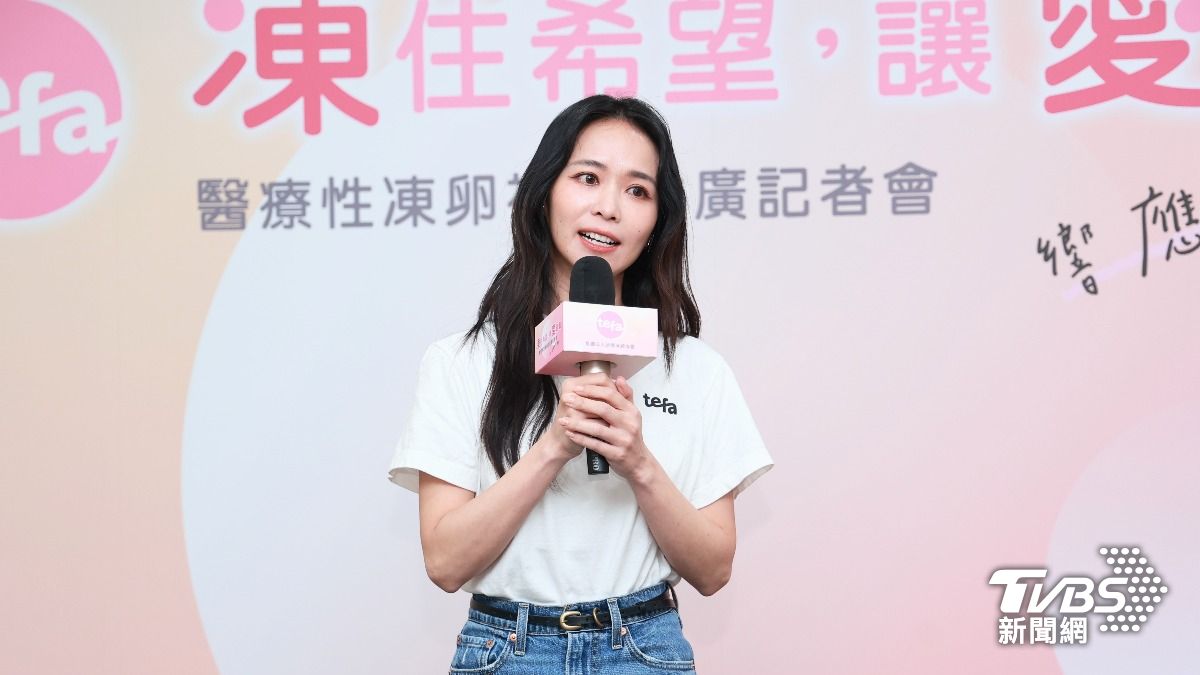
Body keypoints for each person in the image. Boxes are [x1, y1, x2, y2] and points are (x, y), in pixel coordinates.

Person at [388, 94, 773, 674]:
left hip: (643, 649)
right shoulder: (461, 361)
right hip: (508, 651)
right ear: (545, 193)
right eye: (588, 178)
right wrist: (554, 447)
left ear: (658, 221)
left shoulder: (696, 369)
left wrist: (638, 463)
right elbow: (445, 563)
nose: (608, 208)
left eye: (637, 190)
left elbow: (714, 570)